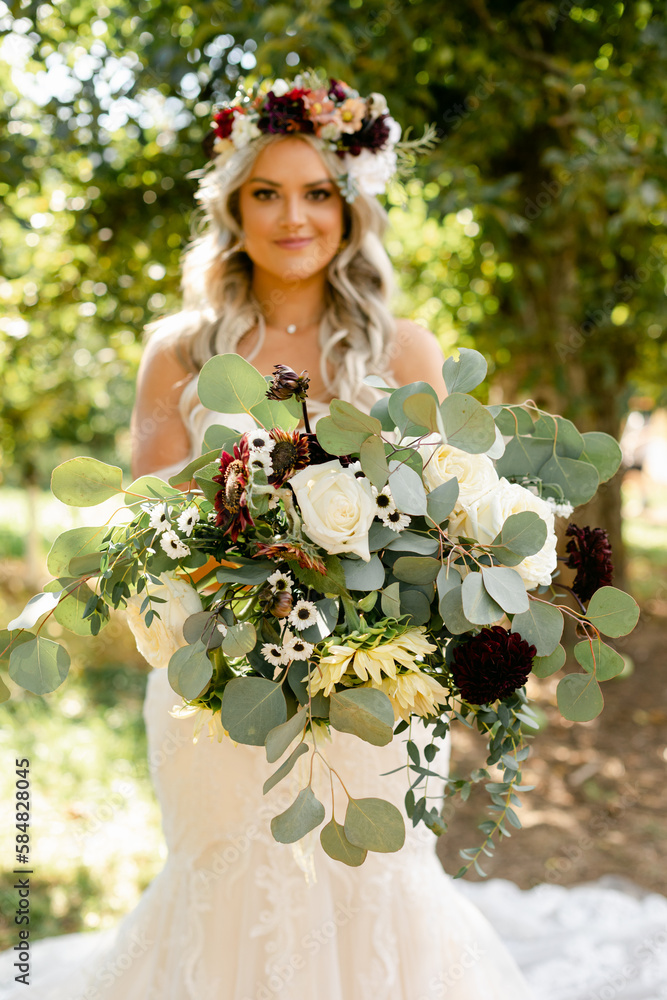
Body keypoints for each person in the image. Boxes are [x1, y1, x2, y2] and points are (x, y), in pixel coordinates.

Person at [2, 73, 666, 1000]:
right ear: (232, 203)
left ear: (352, 207)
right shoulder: (182, 351)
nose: (293, 216)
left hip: (370, 691)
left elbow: (445, 527)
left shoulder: (405, 350)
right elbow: (142, 524)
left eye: (317, 191)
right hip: (216, 685)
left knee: (371, 887)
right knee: (224, 888)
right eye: (266, 192)